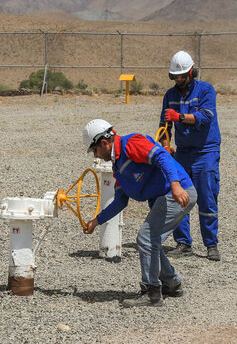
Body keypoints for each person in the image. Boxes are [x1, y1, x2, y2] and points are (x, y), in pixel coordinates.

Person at [82, 118, 197, 308]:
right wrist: (96, 221)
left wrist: (176, 186)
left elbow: (162, 156)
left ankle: (151, 292)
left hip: (177, 194)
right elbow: (120, 200)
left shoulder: (130, 144)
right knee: (151, 242)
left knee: (146, 239)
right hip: (166, 196)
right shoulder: (118, 166)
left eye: (94, 150)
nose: (95, 155)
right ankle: (172, 282)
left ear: (104, 143)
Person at [159, 51, 222, 261]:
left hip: (206, 152)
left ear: (192, 73)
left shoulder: (206, 90)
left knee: (207, 198)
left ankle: (211, 245)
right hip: (183, 153)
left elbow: (205, 116)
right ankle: (183, 243)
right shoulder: (170, 96)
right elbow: (164, 126)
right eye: (175, 77)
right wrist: (166, 146)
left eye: (182, 76)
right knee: (180, 197)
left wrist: (180, 117)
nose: (178, 80)